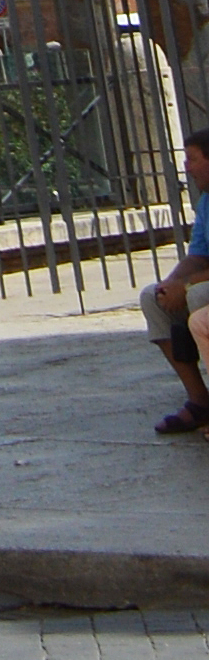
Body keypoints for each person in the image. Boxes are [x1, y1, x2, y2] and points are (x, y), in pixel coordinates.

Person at [145, 130, 209, 433]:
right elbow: (198, 254)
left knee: (197, 299)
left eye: (193, 159)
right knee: (152, 298)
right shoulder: (206, 203)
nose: (188, 167)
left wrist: (186, 287)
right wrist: (170, 284)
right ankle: (200, 401)